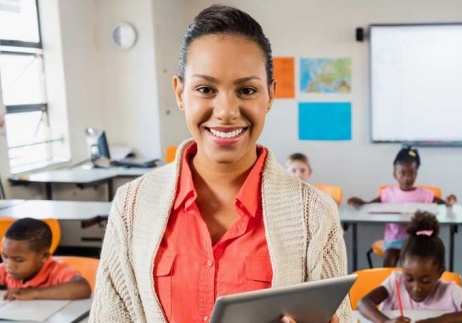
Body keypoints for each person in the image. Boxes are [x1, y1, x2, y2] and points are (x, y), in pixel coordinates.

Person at [90, 5, 349, 322]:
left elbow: (340, 317)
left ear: (270, 95)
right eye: (205, 89)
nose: (226, 110)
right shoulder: (132, 206)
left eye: (246, 90)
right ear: (180, 93)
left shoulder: (315, 214)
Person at [358, 211, 462, 323]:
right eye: (409, 278)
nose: (416, 287)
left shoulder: (449, 291)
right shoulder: (395, 282)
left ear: (439, 273)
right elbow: (363, 303)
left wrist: (444, 319)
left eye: (425, 280)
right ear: (402, 269)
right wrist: (385, 321)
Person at [347, 147, 457, 267]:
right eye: (402, 173)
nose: (407, 177)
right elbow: (369, 205)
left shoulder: (425, 194)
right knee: (389, 262)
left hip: (417, 240)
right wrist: (360, 203)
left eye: (411, 173)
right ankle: (390, 285)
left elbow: (444, 204)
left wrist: (449, 201)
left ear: (416, 173)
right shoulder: (388, 193)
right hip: (394, 241)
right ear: (395, 173)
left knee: (417, 265)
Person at [0, 218, 91, 300]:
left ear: (44, 257)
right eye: (5, 256)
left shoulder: (56, 270)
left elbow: (83, 288)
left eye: (19, 260)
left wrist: (34, 293)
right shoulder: (5, 270)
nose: (9, 265)